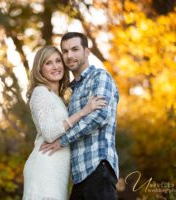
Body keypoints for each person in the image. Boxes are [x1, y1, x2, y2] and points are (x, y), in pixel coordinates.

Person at [40, 32, 119, 200]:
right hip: (79, 175)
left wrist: (62, 141)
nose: (69, 55)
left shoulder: (100, 77)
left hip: (98, 166)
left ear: (87, 52)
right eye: (65, 51)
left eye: (75, 49)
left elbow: (98, 116)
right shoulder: (73, 91)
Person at [22, 46, 107, 200]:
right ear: (39, 69)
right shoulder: (40, 92)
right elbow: (49, 134)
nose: (55, 66)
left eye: (58, 61)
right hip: (45, 166)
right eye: (48, 63)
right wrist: (83, 112)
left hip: (58, 171)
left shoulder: (58, 98)